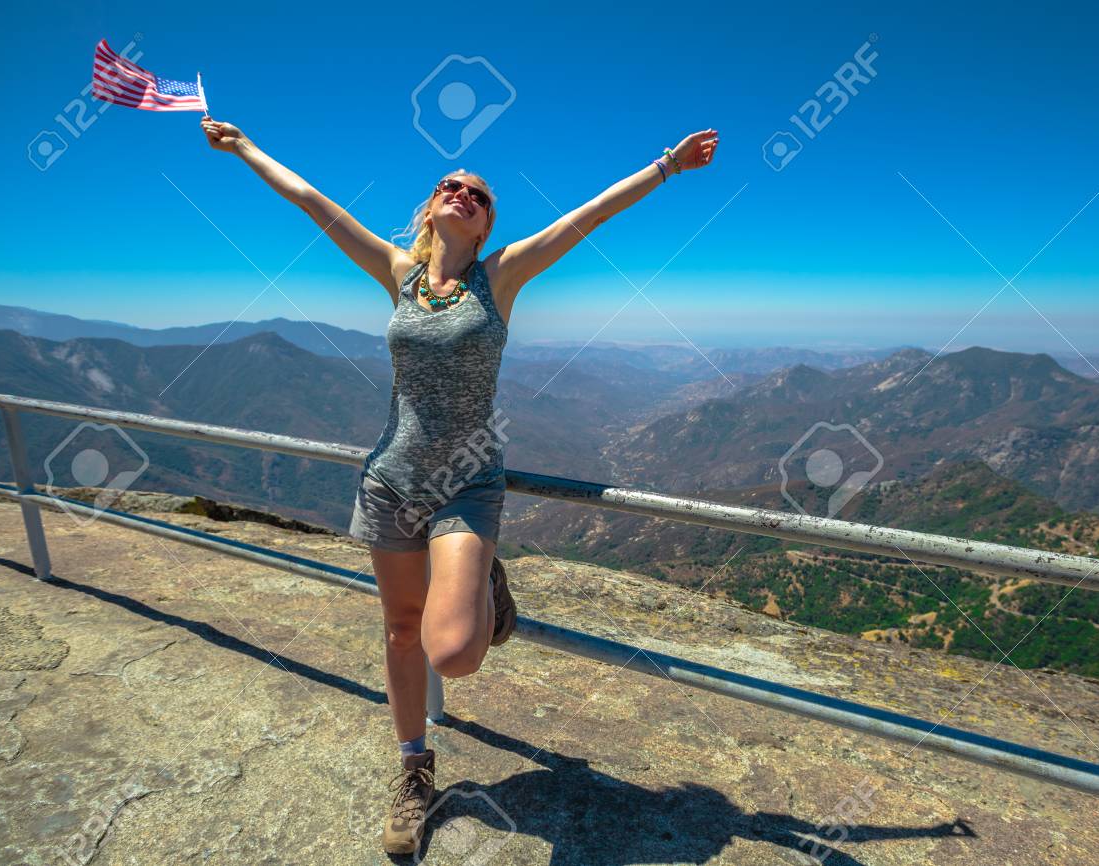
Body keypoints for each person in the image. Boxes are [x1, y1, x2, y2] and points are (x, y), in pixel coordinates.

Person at [201, 113, 718, 852]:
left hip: (466, 486)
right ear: (431, 209)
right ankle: (414, 770)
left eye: (477, 194)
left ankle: (483, 582)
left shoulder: (498, 276)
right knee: (400, 629)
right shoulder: (399, 274)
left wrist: (667, 165)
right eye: (450, 185)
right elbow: (313, 204)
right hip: (390, 481)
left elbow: (586, 217)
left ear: (485, 225)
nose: (461, 192)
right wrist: (245, 148)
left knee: (455, 653)